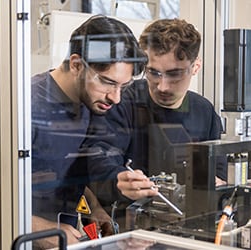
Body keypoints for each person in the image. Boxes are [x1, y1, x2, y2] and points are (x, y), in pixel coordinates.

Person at [0, 15, 147, 249]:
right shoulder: (20, 107)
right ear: (77, 64)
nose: (116, 98)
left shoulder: (90, 104)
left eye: (123, 86)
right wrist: (34, 227)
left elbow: (61, 169)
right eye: (108, 82)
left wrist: (94, 208)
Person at [85, 18, 227, 225]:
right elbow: (97, 161)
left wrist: (217, 184)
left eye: (174, 74)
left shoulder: (204, 111)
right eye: (153, 72)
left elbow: (218, 170)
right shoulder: (122, 102)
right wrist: (120, 179)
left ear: (196, 66)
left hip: (189, 225)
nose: (162, 86)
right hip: (130, 227)